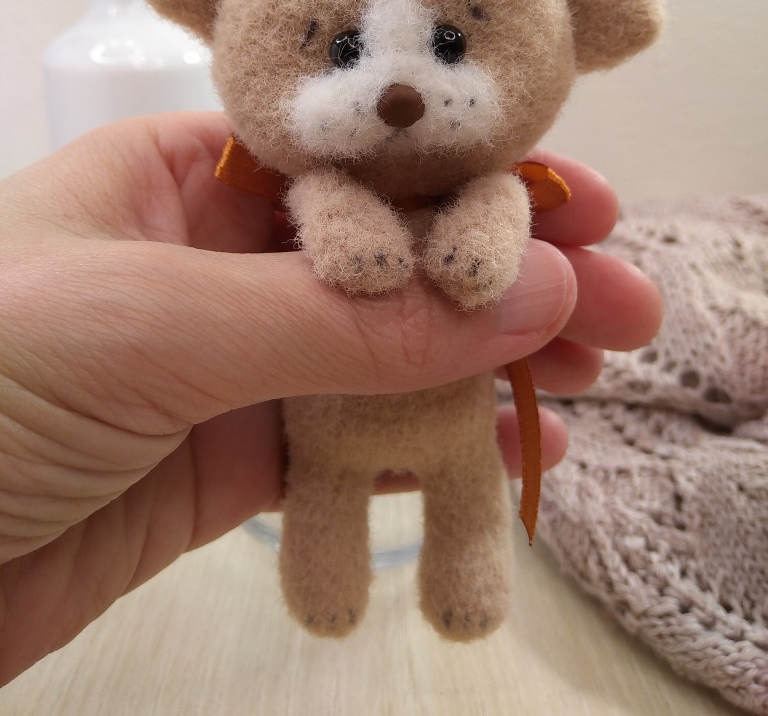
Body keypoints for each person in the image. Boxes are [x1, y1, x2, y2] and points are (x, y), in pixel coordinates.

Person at [0, 111, 662, 684]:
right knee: (323, 498)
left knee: (469, 495)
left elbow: (501, 202)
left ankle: (462, 581)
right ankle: (326, 586)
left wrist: (483, 246)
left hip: (456, 433)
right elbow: (328, 211)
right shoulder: (321, 187)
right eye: (347, 49)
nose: (400, 93)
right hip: (326, 434)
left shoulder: (493, 188)